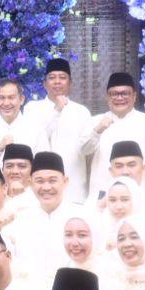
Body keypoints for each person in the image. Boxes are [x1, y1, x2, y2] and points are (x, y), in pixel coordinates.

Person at [21, 60, 94, 203]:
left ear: (70, 83)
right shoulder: (32, 109)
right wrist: (57, 109)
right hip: (41, 186)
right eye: (52, 77)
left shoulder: (81, 112)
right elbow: (34, 139)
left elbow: (87, 149)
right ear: (44, 83)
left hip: (74, 186)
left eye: (62, 77)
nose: (57, 82)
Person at [87, 72, 145, 196]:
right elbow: (84, 151)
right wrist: (97, 131)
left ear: (134, 96)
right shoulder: (95, 122)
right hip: (103, 196)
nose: (119, 98)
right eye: (114, 94)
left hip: (141, 196)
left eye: (124, 93)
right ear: (107, 97)